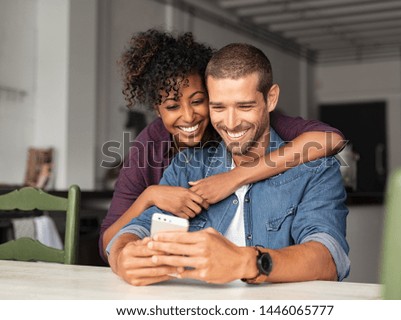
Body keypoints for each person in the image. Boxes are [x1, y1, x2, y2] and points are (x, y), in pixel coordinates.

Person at [106, 43, 350, 286]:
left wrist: (246, 262)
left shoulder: (315, 168)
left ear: (271, 98)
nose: (231, 123)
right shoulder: (187, 164)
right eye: (218, 107)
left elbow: (328, 258)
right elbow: (133, 230)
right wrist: (123, 257)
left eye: (245, 106)